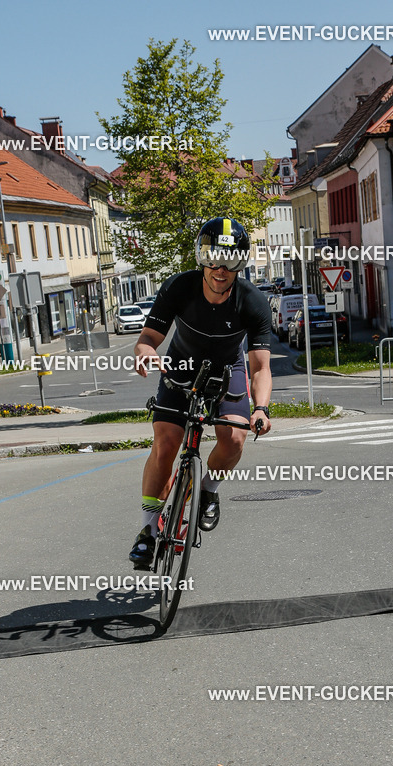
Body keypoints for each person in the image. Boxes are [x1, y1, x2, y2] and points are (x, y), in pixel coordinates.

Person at [128, 217, 273, 570]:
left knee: (235, 437)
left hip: (227, 370)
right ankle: (148, 530)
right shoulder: (179, 287)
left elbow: (260, 368)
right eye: (213, 258)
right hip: (181, 366)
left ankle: (208, 489)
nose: (221, 269)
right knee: (166, 443)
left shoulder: (253, 301)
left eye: (231, 260)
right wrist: (145, 351)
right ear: (201, 257)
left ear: (241, 263)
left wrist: (262, 408)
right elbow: (148, 338)